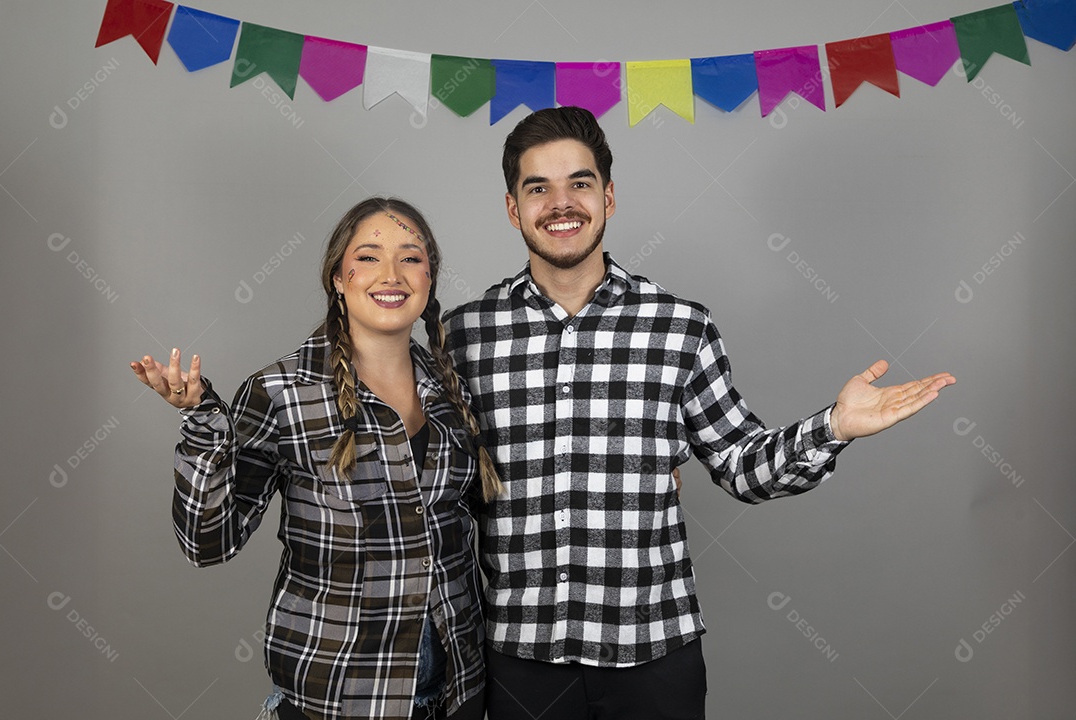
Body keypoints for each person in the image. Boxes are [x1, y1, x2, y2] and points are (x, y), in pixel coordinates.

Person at [442, 107, 956, 720]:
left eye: (579, 183)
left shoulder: (680, 326)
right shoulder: (463, 336)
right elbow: (443, 487)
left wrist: (835, 427)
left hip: (655, 656)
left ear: (608, 197)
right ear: (512, 208)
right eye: (538, 188)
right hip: (521, 659)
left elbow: (742, 465)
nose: (561, 204)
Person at [130, 197, 499, 720]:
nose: (391, 274)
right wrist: (202, 423)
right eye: (368, 257)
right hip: (333, 702)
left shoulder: (454, 389)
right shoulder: (280, 392)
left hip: (456, 695)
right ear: (338, 278)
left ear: (429, 277)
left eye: (410, 258)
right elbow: (207, 544)